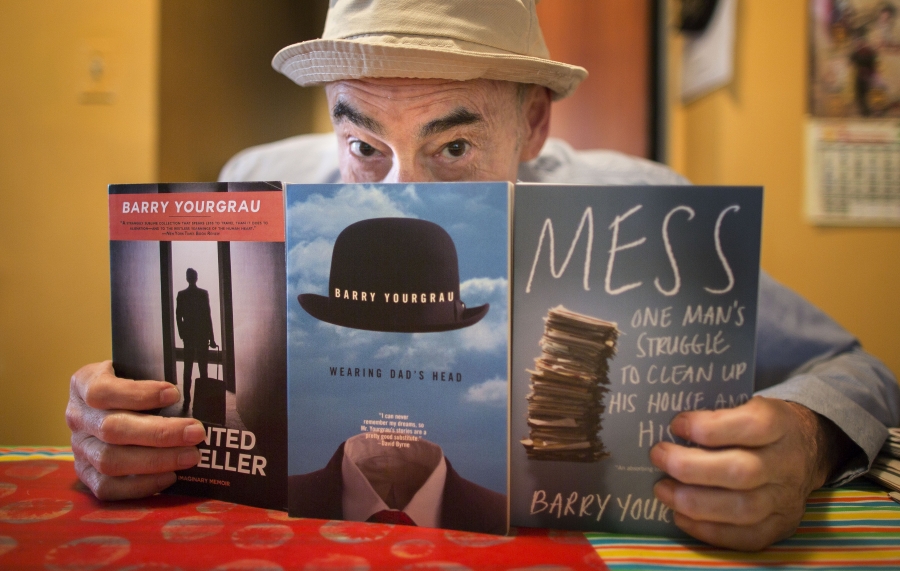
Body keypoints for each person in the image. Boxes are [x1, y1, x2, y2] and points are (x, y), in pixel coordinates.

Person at [66, 0, 900, 551]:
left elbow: (858, 369)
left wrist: (809, 439)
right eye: (364, 145)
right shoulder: (261, 184)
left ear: (533, 123)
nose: (401, 195)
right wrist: (124, 423)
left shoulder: (644, 211)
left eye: (454, 146)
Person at [175, 268, 217, 413]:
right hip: (201, 336)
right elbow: (207, 317)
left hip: (189, 337)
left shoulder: (182, 295)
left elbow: (178, 317)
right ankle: (202, 400)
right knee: (203, 369)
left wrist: (182, 334)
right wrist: (211, 338)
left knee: (188, 369)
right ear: (196, 278)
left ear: (188, 278)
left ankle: (187, 400)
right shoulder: (202, 294)